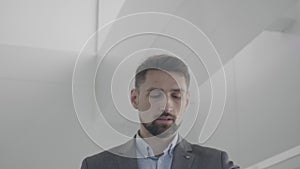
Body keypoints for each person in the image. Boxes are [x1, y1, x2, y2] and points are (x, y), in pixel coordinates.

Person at [81, 55, 239, 169]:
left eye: (176, 96)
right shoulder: (96, 166)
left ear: (186, 102)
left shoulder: (216, 164)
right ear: (135, 99)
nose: (167, 105)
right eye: (156, 95)